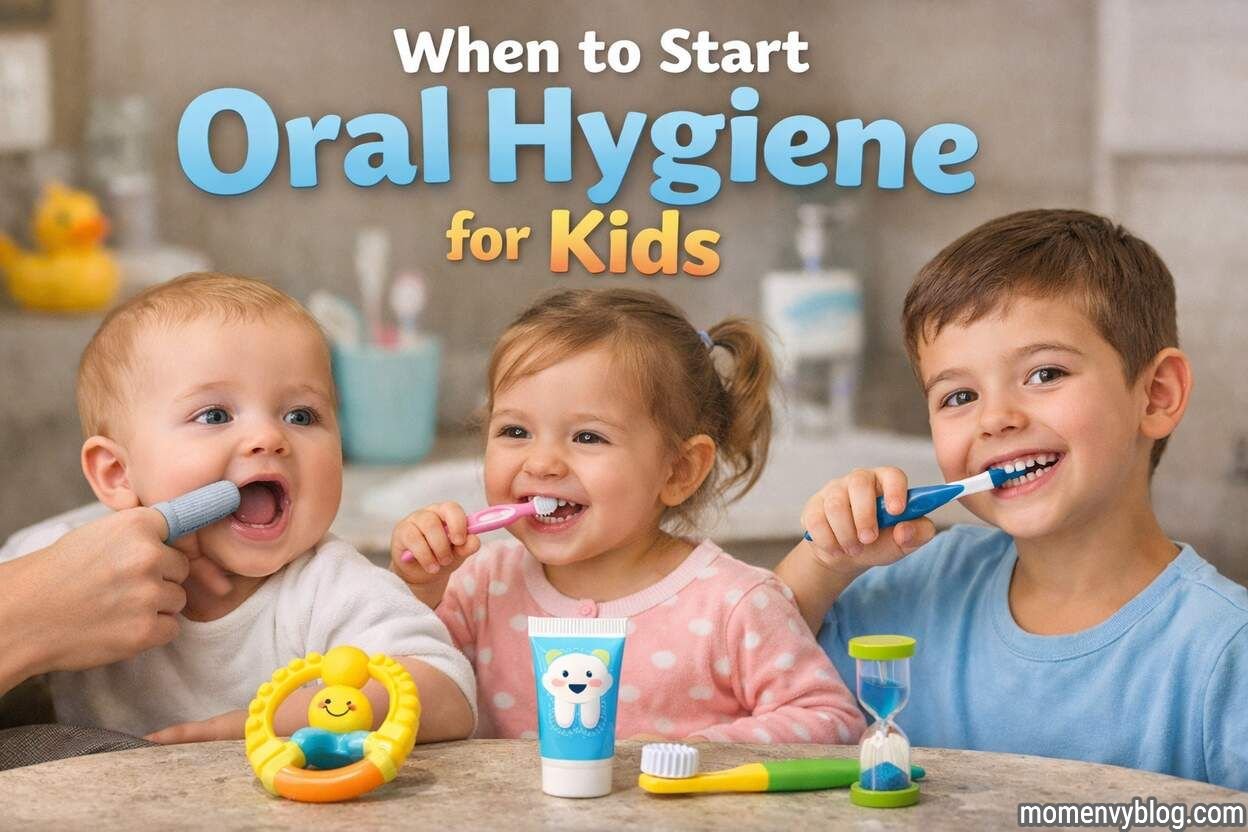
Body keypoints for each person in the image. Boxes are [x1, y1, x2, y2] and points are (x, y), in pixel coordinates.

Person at [775, 209, 1248, 789]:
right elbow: (743, 675)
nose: (996, 419)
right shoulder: (919, 586)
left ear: (1155, 395)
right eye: (959, 396)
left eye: (1045, 374)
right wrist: (824, 565)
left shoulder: (1225, 653)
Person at [0, 273, 475, 743]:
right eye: (215, 416)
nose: (269, 437)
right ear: (116, 474)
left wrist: (277, 719)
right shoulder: (61, 562)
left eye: (301, 416)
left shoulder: (330, 588)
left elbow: (449, 697)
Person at [391, 288, 864, 743]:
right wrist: (418, 591)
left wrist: (693, 755)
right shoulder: (480, 588)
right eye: (515, 430)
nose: (541, 463)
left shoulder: (734, 604)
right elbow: (400, 688)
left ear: (679, 470)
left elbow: (831, 720)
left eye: (588, 437)